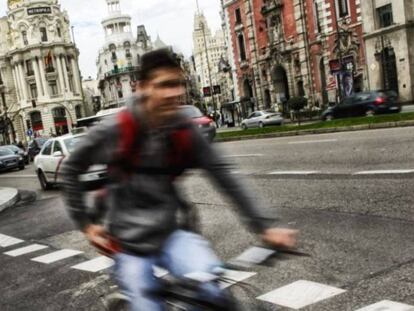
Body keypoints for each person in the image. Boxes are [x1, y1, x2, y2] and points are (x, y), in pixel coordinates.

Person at [62, 49, 297, 311]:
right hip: (129, 246)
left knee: (212, 293)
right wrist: (87, 225)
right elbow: (71, 168)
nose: (174, 93)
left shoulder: (183, 129)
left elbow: (224, 174)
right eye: (163, 85)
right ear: (140, 87)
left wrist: (265, 226)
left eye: (178, 84)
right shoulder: (116, 129)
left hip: (174, 235)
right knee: (146, 305)